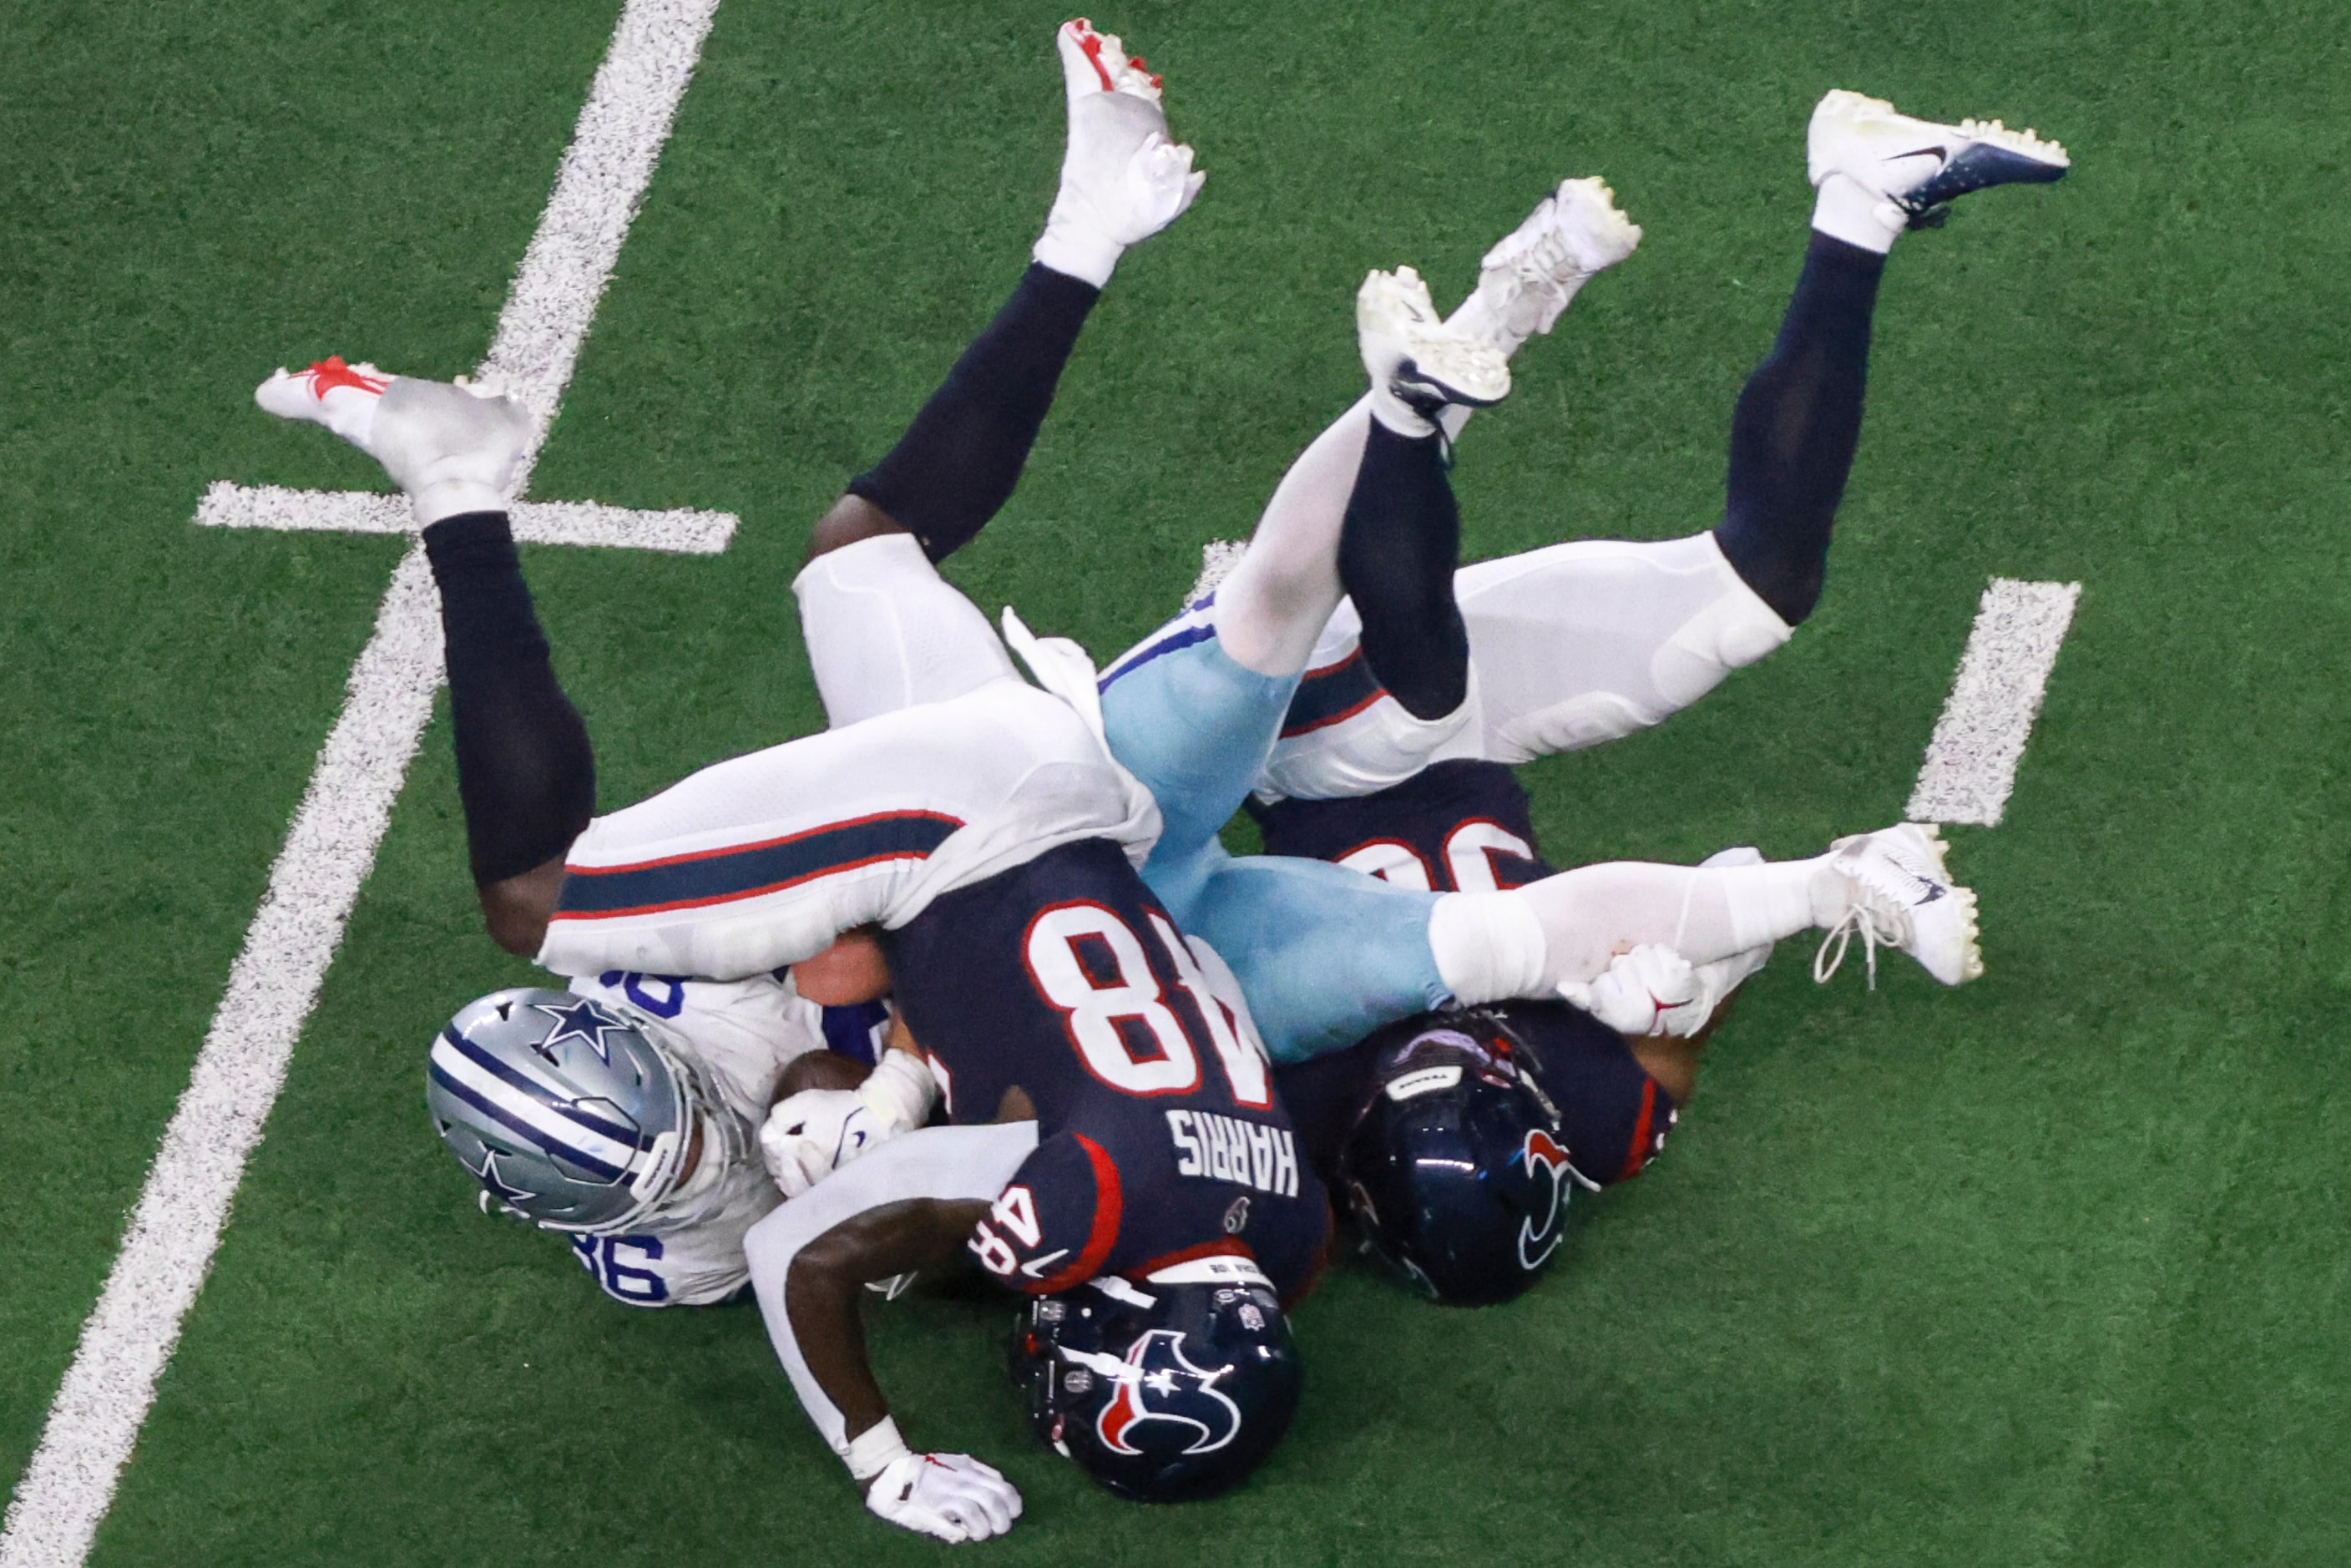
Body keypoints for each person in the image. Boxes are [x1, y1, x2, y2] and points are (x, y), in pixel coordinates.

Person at [1247, 88, 2071, 1303]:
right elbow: (1695, 961)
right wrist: (1698, 984)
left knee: (1414, 696)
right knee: (1756, 586)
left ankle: (1446, 366)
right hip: (1473, 732)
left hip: (1288, 736)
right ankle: (1863, 200)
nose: (1450, 1053)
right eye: (1487, 1069)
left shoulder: (1287, 1093)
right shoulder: (1601, 1113)